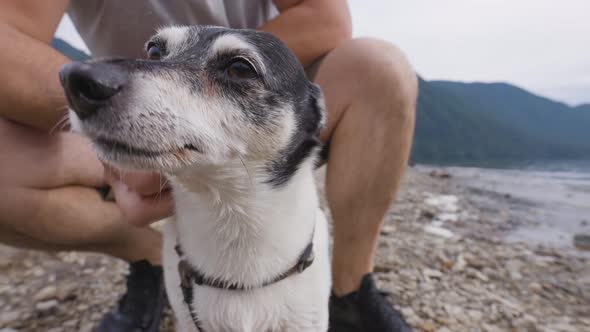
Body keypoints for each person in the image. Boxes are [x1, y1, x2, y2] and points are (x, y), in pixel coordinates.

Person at [0, 1, 417, 331]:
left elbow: (325, 19)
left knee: (382, 68)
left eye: (237, 68)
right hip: (123, 116)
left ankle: (348, 288)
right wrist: (119, 134)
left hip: (266, 106)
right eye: (156, 51)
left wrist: (199, 73)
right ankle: (151, 259)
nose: (160, 59)